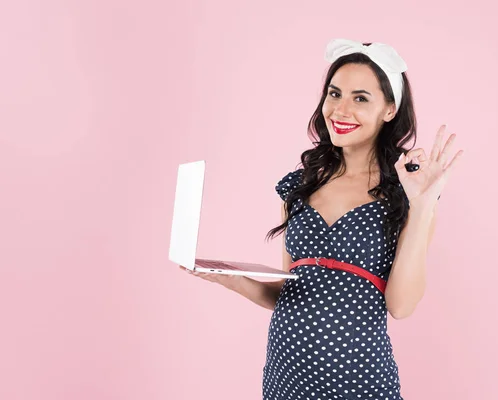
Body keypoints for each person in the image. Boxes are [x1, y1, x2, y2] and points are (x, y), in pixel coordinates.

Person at [181, 38, 463, 400]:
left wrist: (422, 206)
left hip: (360, 383)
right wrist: (225, 278)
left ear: (389, 109)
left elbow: (401, 306)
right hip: (286, 377)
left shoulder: (409, 194)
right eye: (334, 94)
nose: (341, 110)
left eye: (361, 98)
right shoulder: (298, 185)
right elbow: (288, 292)